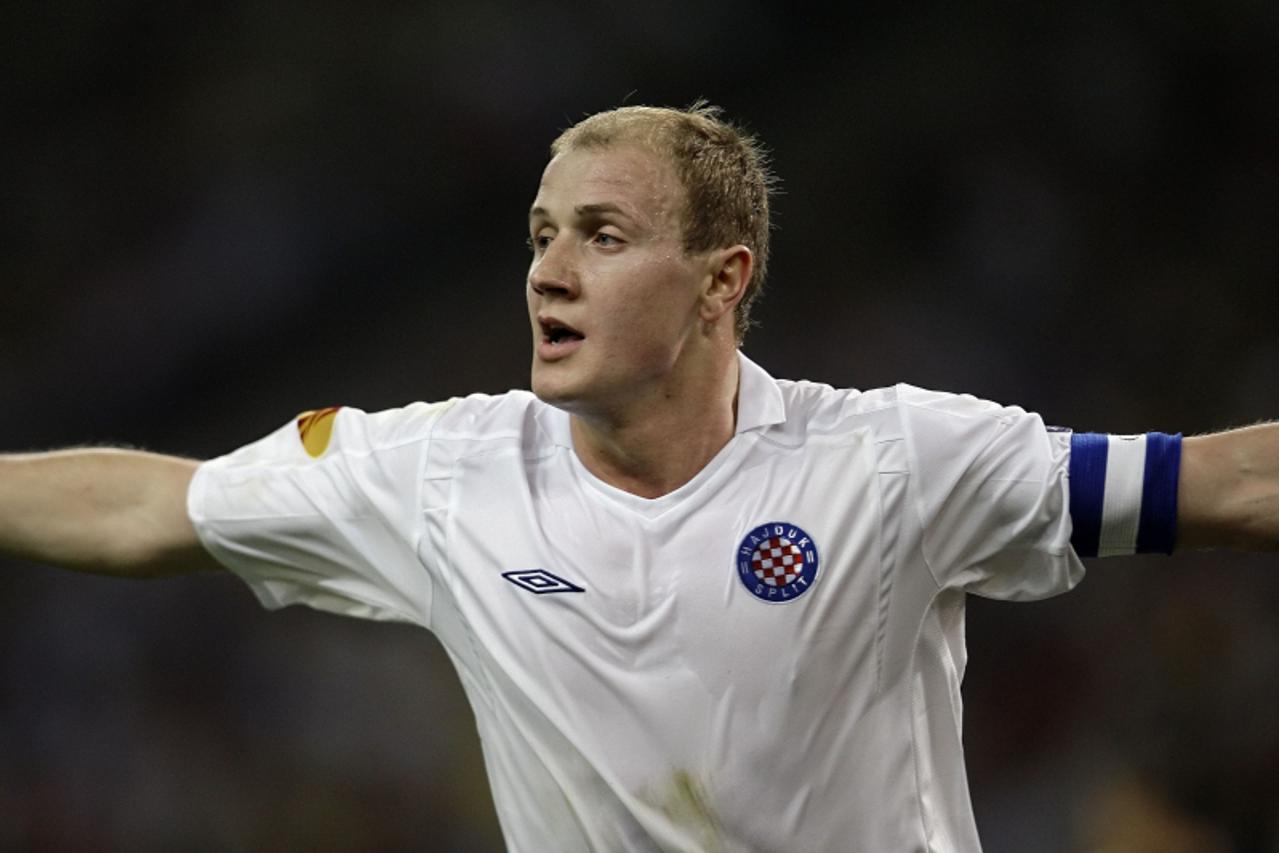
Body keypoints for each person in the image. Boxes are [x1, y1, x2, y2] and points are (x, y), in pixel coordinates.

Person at [1, 102, 1276, 852]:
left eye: (601, 237)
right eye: (540, 236)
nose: (548, 273)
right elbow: (151, 507)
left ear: (723, 279)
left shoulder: (892, 462)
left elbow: (1222, 485)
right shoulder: (440, 476)